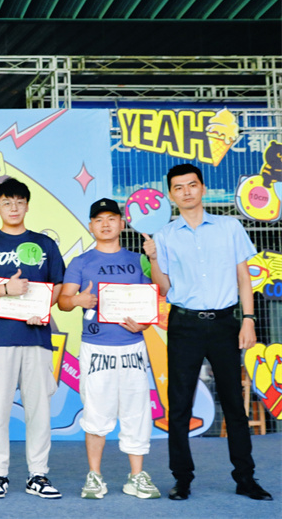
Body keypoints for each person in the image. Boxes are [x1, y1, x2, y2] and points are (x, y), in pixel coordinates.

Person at [143, 163, 273, 501]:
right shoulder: (165, 235)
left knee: (233, 403)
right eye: (178, 187)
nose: (186, 192)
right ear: (170, 195)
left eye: (191, 185)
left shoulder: (229, 226)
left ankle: (245, 478)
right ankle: (182, 478)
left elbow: (244, 277)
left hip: (224, 323)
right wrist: (153, 258)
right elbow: (165, 288)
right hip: (184, 324)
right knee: (179, 405)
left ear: (202, 188)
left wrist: (248, 319)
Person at [0, 177, 65, 500]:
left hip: (37, 337)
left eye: (19, 202)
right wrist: (4, 289)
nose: (13, 208)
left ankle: (38, 474)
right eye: (6, 203)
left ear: (27, 206)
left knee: (39, 409)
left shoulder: (45, 244)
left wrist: (43, 308)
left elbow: (58, 285)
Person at [58, 198, 160, 500]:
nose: (105, 224)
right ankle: (95, 476)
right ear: (91, 225)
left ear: (122, 223)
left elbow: (154, 297)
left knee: (136, 411)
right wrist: (77, 300)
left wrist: (144, 323)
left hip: (132, 348)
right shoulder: (80, 262)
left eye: (111, 218)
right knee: (96, 412)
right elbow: (63, 301)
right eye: (99, 219)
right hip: (95, 348)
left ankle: (136, 476)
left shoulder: (137, 260)